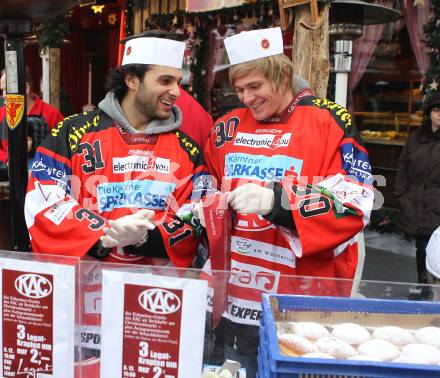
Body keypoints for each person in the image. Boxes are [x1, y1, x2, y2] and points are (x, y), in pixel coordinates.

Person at [201, 27, 373, 374]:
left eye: (255, 87)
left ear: (281, 74)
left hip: (302, 296)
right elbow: (204, 186)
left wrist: (278, 201)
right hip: (235, 299)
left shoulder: (329, 121)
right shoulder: (225, 127)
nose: (246, 98)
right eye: (239, 90)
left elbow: (358, 200)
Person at [25, 35, 205, 267]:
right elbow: (43, 200)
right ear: (132, 80)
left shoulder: (187, 148)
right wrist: (103, 234)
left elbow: (197, 213)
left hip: (156, 294)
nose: (176, 91)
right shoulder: (71, 132)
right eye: (165, 81)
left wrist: (145, 238)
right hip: (86, 290)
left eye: (177, 82)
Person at [395, 93, 440, 297]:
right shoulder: (415, 138)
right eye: (437, 110)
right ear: (430, 113)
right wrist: (402, 195)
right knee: (421, 247)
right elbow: (402, 167)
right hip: (416, 201)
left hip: (436, 203)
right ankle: (423, 286)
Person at [0, 67, 64, 165]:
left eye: (8, 90)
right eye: (2, 90)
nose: (3, 95)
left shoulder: (52, 115)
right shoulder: (1, 114)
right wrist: (9, 158)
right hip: (10, 177)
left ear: (26, 88)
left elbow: (64, 149)